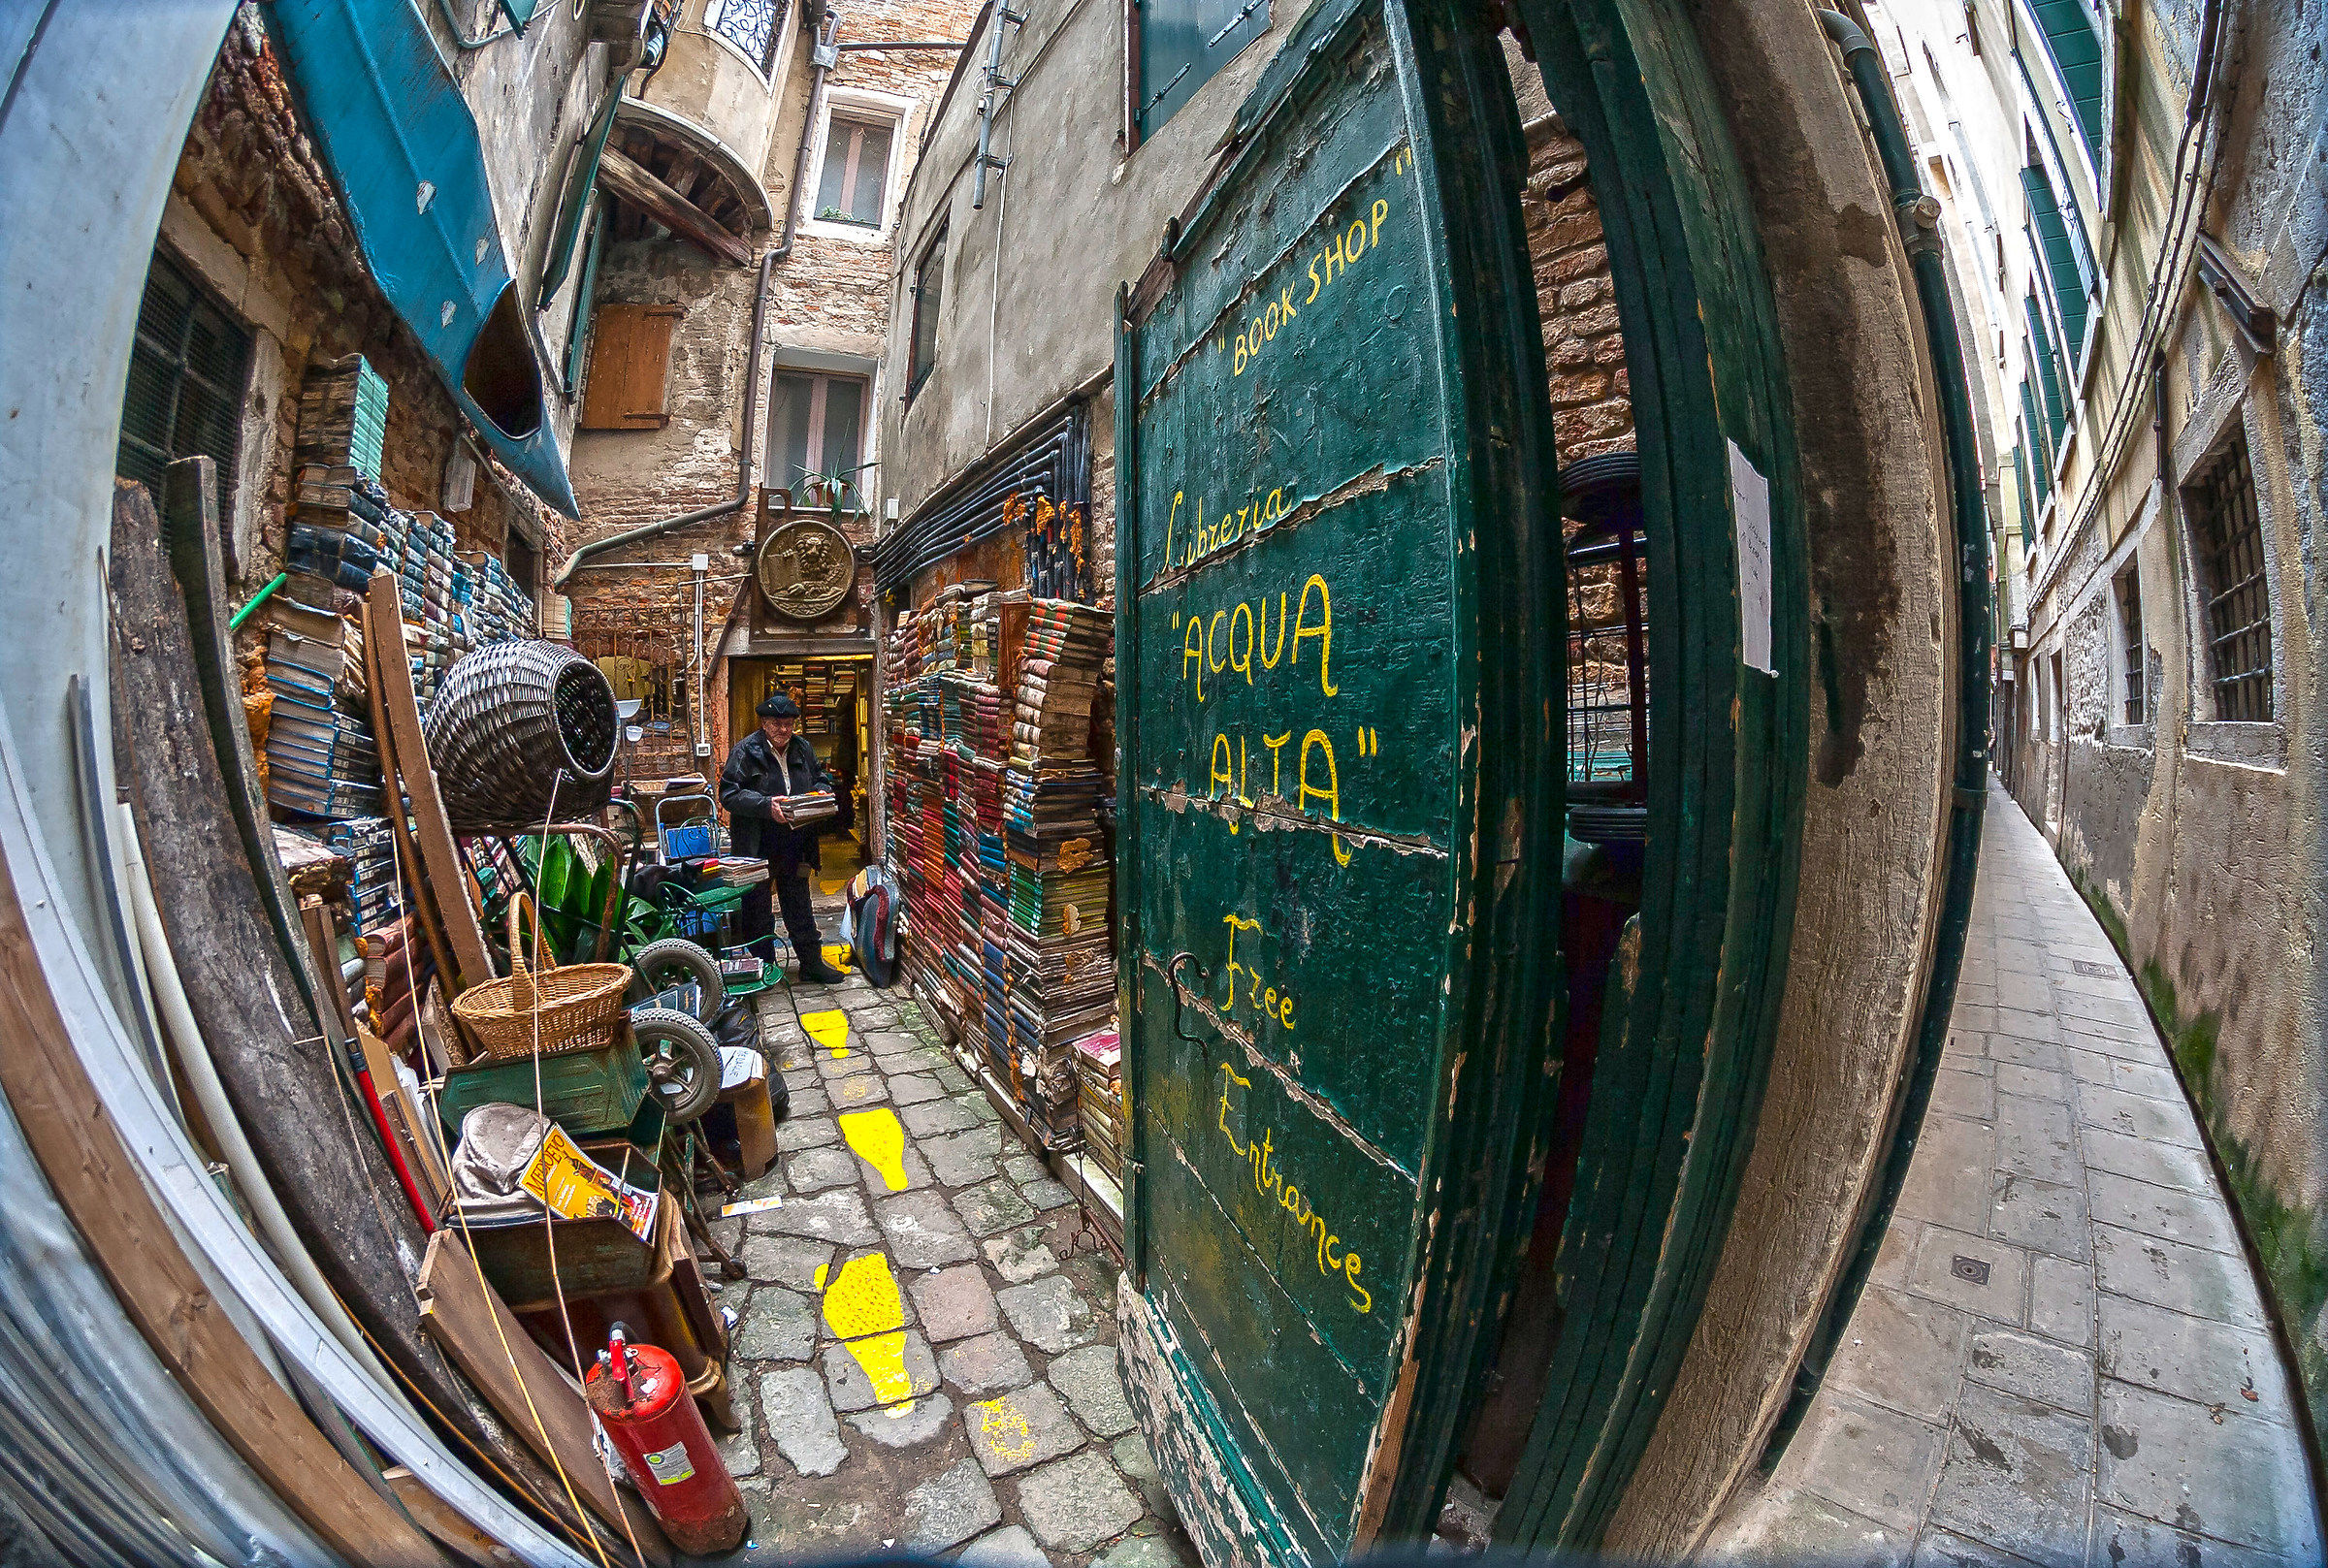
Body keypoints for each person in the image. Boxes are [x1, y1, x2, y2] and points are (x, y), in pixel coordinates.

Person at [718, 691, 847, 984]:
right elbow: (728, 793)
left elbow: (820, 778)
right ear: (764, 723)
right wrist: (766, 806)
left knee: (799, 901)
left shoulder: (803, 749)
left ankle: (811, 963)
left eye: (788, 724)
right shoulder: (746, 751)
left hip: (796, 840)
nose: (783, 731)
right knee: (757, 906)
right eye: (777, 724)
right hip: (758, 841)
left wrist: (823, 791)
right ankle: (763, 968)